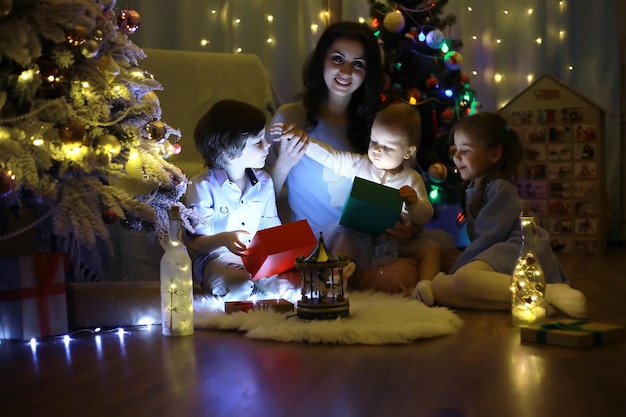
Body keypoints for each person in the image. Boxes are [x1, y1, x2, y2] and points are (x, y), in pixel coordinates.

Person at [266, 21, 421, 254]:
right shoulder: (290, 117)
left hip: (369, 246)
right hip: (308, 245)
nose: (346, 72)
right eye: (337, 59)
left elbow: (405, 190)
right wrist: (284, 164)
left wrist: (412, 229)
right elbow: (259, 196)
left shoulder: (378, 129)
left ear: (367, 73)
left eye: (357, 64)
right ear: (321, 61)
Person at [414, 112, 587, 319]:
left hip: (520, 248)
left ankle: (548, 290)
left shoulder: (499, 188)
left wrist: (459, 267)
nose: (457, 157)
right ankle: (531, 301)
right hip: (498, 252)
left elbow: (488, 238)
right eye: (455, 150)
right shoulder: (474, 187)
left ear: (494, 155)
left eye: (466, 150)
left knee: (463, 279)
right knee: (442, 290)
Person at [270, 102, 441, 296]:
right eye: (374, 142)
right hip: (362, 239)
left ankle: (428, 287)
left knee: (431, 249)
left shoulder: (411, 178)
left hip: (395, 242)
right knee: (344, 235)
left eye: (387, 147)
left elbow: (425, 215)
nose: (377, 150)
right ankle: (338, 276)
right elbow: (331, 157)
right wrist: (304, 142)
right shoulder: (361, 165)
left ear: (408, 152)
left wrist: (414, 205)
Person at [184, 99, 279, 298]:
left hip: (259, 257)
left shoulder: (264, 183)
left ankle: (263, 286)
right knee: (239, 285)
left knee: (295, 284)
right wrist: (225, 239)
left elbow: (272, 227)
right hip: (217, 258)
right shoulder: (201, 186)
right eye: (258, 142)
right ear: (228, 153)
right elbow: (196, 244)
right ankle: (245, 288)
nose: (268, 144)